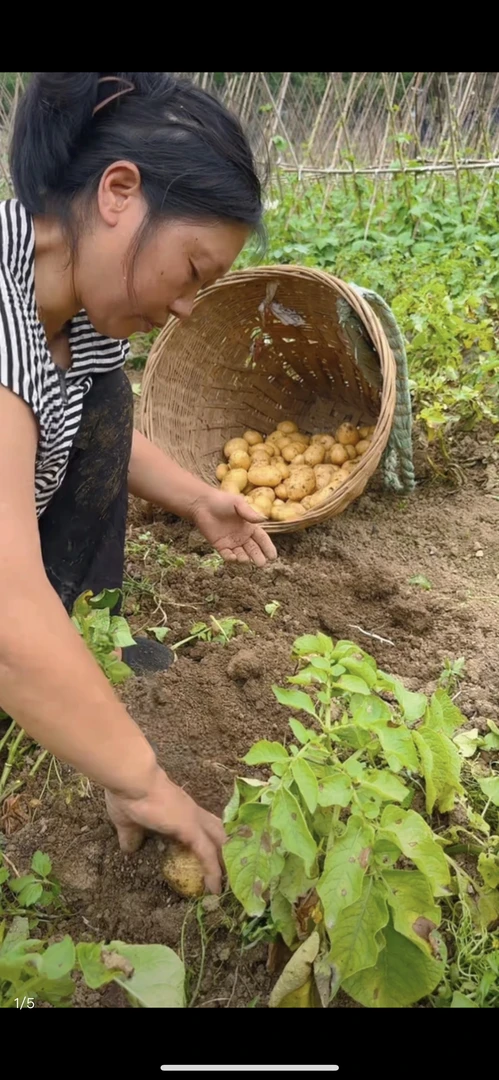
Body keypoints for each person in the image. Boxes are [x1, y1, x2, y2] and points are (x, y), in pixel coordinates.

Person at [0, 71, 277, 893]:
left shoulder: (69, 311)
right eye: (192, 269)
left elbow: (85, 425)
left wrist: (196, 497)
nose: (190, 306)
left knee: (106, 392)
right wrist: (142, 779)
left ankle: (66, 667)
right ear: (119, 192)